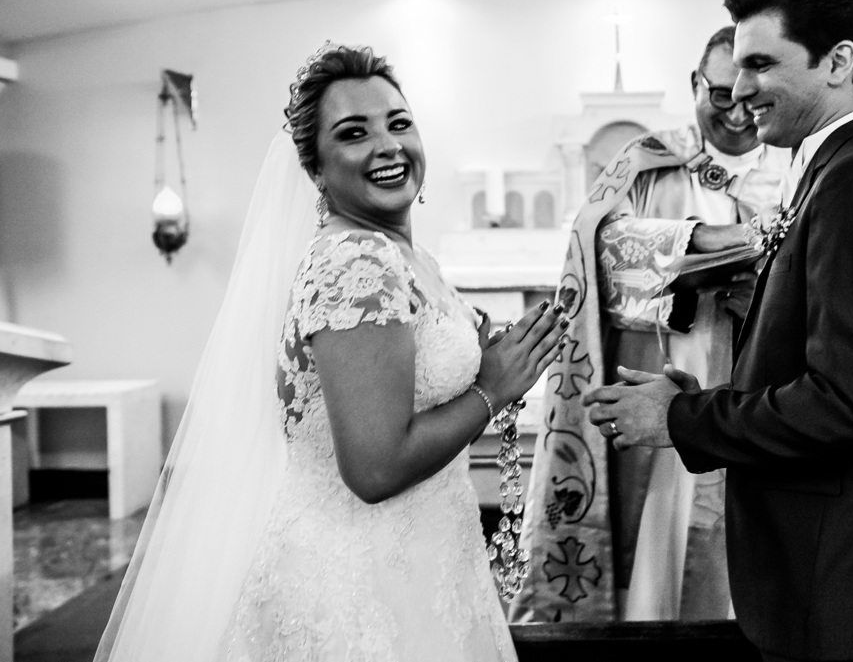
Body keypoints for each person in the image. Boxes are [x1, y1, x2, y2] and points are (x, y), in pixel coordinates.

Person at [95, 43, 568, 661]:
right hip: (358, 581)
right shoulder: (357, 262)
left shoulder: (408, 259)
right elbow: (373, 469)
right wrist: (492, 391)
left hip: (421, 560)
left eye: (399, 123)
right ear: (316, 169)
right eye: (354, 133)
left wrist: (484, 361)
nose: (389, 145)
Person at [584, 0, 853, 661]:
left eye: (762, 64)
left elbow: (849, 405)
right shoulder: (846, 168)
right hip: (840, 563)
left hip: (848, 571)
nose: (742, 91)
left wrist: (682, 417)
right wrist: (712, 393)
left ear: (839, 62)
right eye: (734, 70)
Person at [510, 27, 789, 623]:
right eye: (719, 94)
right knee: (656, 553)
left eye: (749, 97)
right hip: (660, 380)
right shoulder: (645, 162)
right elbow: (600, 247)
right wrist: (707, 249)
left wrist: (766, 293)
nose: (737, 113)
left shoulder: (793, 171)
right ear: (695, 85)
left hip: (756, 392)